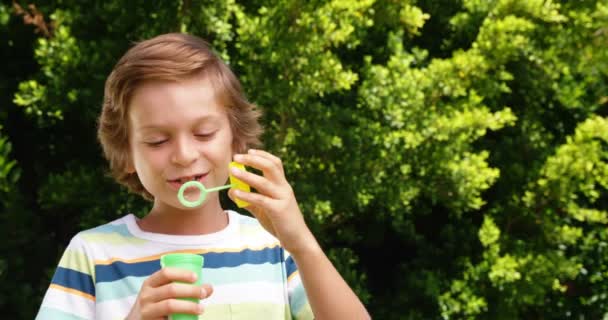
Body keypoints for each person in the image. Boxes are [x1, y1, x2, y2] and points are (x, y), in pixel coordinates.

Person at [36, 33, 370, 320]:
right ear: (126, 155)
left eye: (204, 133)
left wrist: (301, 243)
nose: (184, 155)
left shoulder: (275, 248)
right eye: (158, 140)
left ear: (235, 139)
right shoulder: (94, 255)